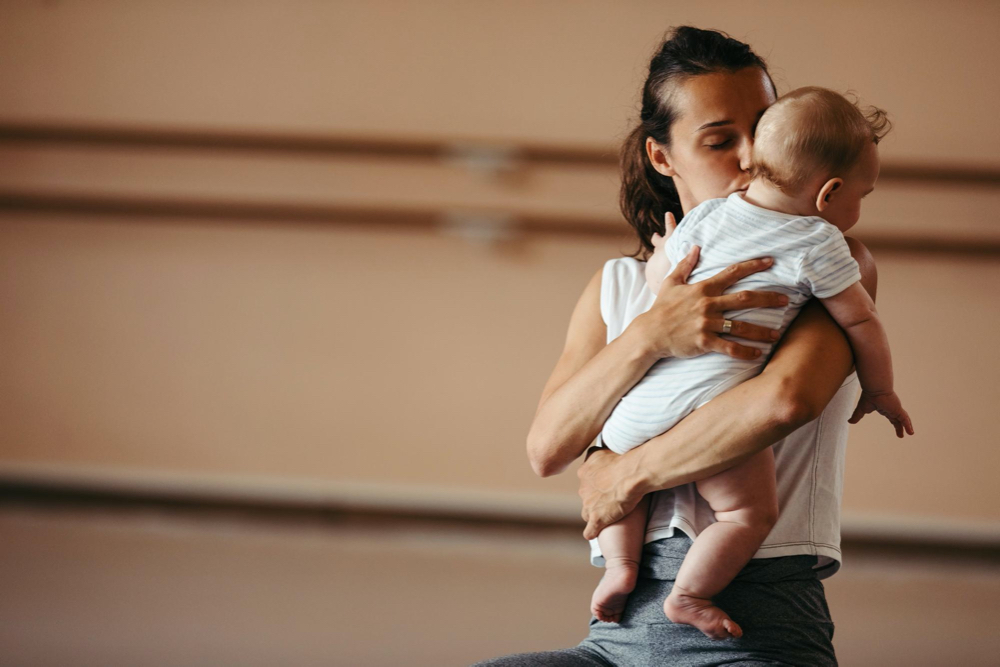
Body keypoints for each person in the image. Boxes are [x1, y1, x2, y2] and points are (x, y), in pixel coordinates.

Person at [473, 26, 882, 666]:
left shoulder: (829, 262)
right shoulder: (617, 285)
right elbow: (547, 447)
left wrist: (626, 471)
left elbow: (783, 400)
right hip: (613, 641)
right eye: (721, 140)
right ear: (662, 157)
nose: (752, 158)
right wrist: (650, 332)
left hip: (756, 635)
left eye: (764, 129)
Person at [589, 86, 914, 640]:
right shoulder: (821, 243)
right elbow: (861, 323)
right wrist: (880, 390)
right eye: (864, 195)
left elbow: (660, 281)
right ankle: (689, 595)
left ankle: (619, 568)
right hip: (712, 409)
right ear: (830, 192)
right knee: (745, 516)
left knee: (618, 474)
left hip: (640, 405)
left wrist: (668, 263)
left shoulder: (710, 216)